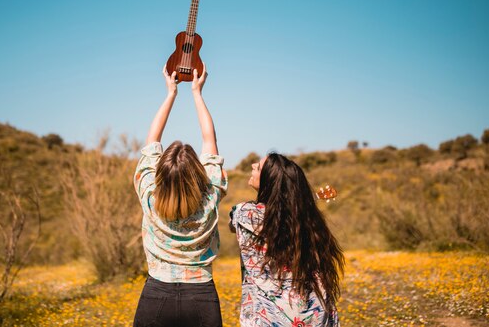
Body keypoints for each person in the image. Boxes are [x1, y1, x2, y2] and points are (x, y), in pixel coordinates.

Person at [132, 64, 227, 327]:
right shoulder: (209, 198)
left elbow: (151, 143)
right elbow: (210, 140)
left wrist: (170, 93)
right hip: (202, 297)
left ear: (160, 174)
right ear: (199, 173)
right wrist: (197, 93)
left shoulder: (150, 196)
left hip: (156, 295)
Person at [230, 154, 345, 327]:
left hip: (268, 318)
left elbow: (233, 221)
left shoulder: (245, 214)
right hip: (312, 312)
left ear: (270, 182)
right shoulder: (307, 219)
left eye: (259, 167)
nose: (253, 165)